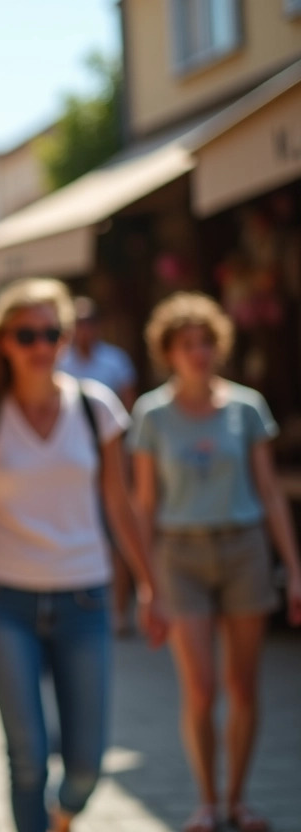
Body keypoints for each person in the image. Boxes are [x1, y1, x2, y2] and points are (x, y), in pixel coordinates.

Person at [0, 278, 167, 832]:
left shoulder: (97, 409)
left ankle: (63, 817)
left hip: (84, 596)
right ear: (4, 343)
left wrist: (150, 586)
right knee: (27, 759)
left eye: (52, 333)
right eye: (27, 335)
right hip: (4, 601)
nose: (41, 346)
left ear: (66, 338)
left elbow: (120, 505)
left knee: (87, 766)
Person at [128, 292, 301, 832]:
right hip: (179, 555)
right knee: (200, 687)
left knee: (244, 685)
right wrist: (144, 582)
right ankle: (205, 800)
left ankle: (237, 799)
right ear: (169, 352)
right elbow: (143, 504)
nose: (199, 353)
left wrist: (294, 568)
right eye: (187, 345)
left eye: (206, 342)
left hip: (244, 547)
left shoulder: (247, 408)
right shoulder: (152, 414)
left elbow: (270, 491)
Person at [57, 297, 139, 635]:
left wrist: (129, 462)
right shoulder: (60, 362)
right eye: (78, 322)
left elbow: (128, 415)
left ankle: (118, 612)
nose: (84, 328)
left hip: (110, 460)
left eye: (89, 321)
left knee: (117, 534)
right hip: (71, 466)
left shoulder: (115, 362)